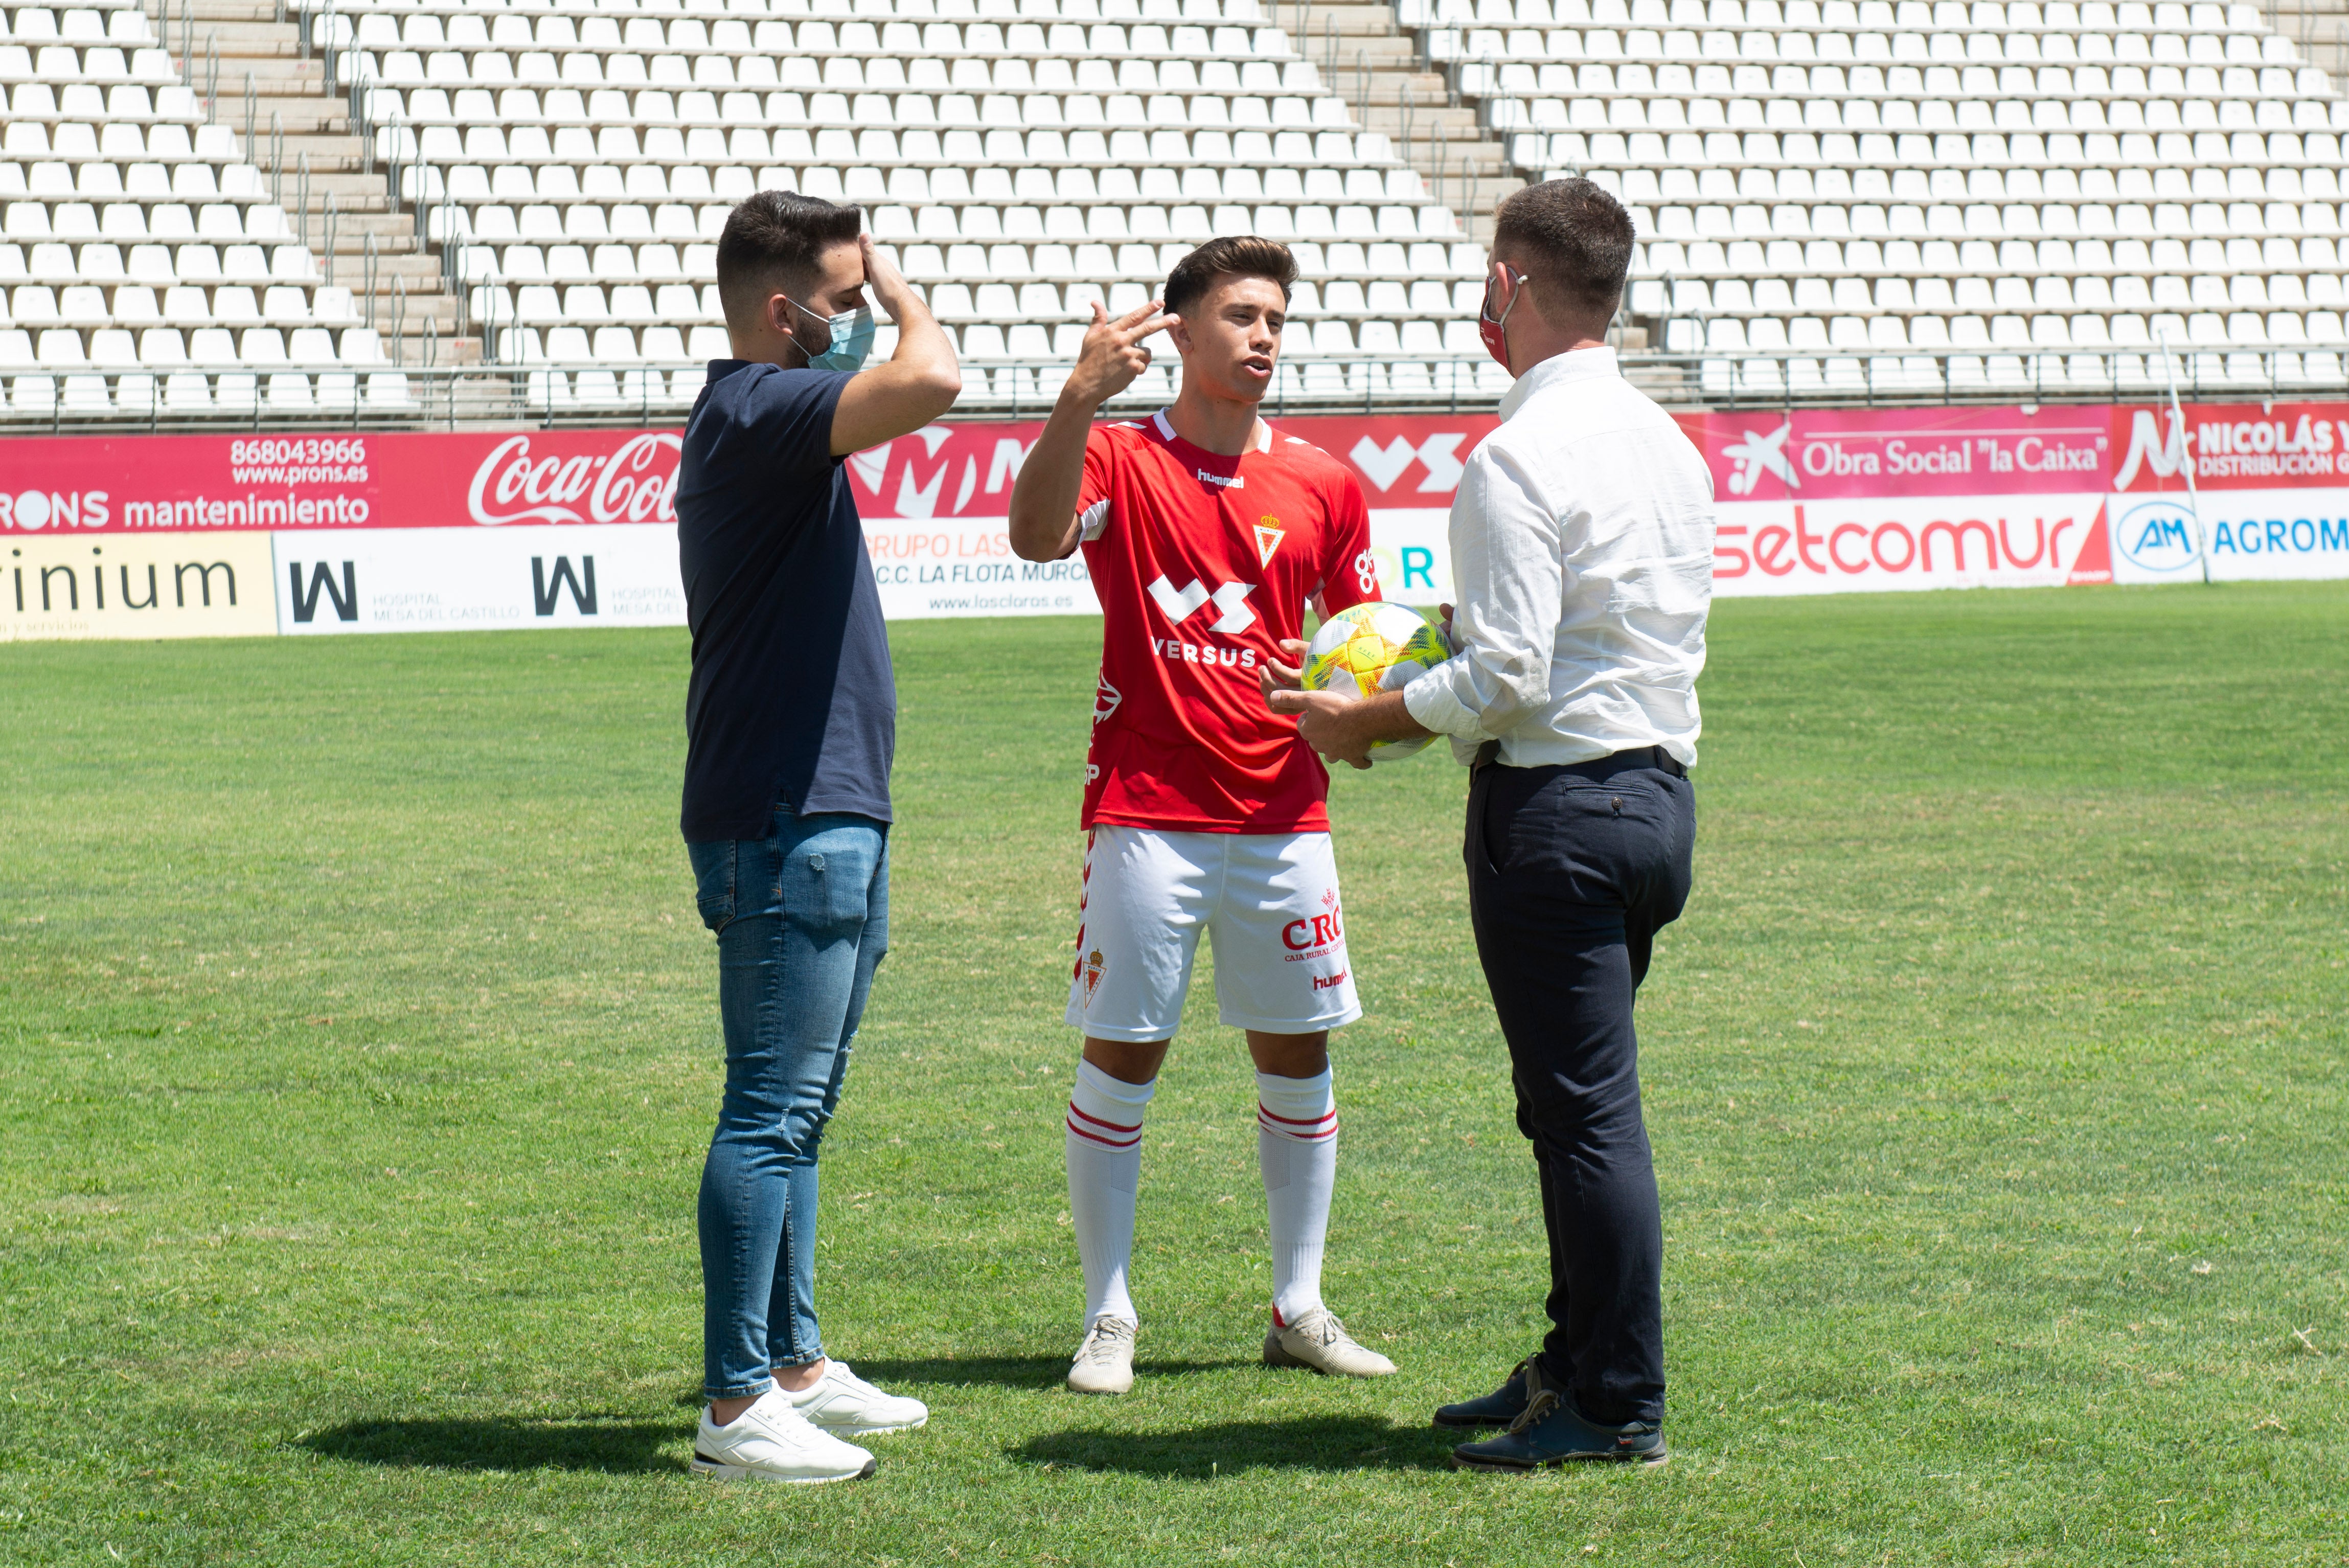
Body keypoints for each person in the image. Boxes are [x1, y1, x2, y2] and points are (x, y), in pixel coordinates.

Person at [1272, 178, 1714, 1469]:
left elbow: (1512, 675)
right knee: (1573, 1108)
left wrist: (1380, 716)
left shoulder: (1517, 455)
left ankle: (1615, 1396)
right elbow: (1586, 638)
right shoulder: (1668, 442)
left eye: (1488, 277)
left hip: (1559, 808)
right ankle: (1575, 1357)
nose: (1481, 299)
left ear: (1514, 288)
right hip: (1655, 797)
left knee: (1583, 1114)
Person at [1007, 235, 1399, 1397]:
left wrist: (1360, 703)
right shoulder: (1121, 460)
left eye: (1277, 316)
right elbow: (1032, 536)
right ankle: (1108, 1312)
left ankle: (1300, 1302)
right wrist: (1078, 396)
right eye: (1239, 314)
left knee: (1300, 1055)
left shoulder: (1327, 483)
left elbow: (1365, 638)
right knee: (1127, 1055)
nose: (1265, 335)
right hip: (1148, 811)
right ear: (1178, 332)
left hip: (1287, 816)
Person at [674, 190, 962, 1485]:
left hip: (824, 810)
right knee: (771, 1109)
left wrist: (867, 298)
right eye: (841, 301)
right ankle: (737, 1404)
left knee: (804, 1107)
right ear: (787, 313)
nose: (864, 316)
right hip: (789, 817)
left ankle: (792, 1363)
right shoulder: (758, 410)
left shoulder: (775, 425)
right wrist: (902, 301)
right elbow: (936, 376)